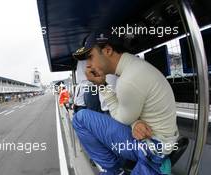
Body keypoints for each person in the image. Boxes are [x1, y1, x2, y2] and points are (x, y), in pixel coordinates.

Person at [72, 31, 179, 175]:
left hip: (152, 147)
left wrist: (102, 85)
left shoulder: (128, 80)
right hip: (161, 140)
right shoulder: (135, 67)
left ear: (108, 50)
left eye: (90, 57)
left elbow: (121, 118)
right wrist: (135, 123)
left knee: (80, 118)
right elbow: (128, 118)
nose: (88, 66)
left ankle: (114, 170)